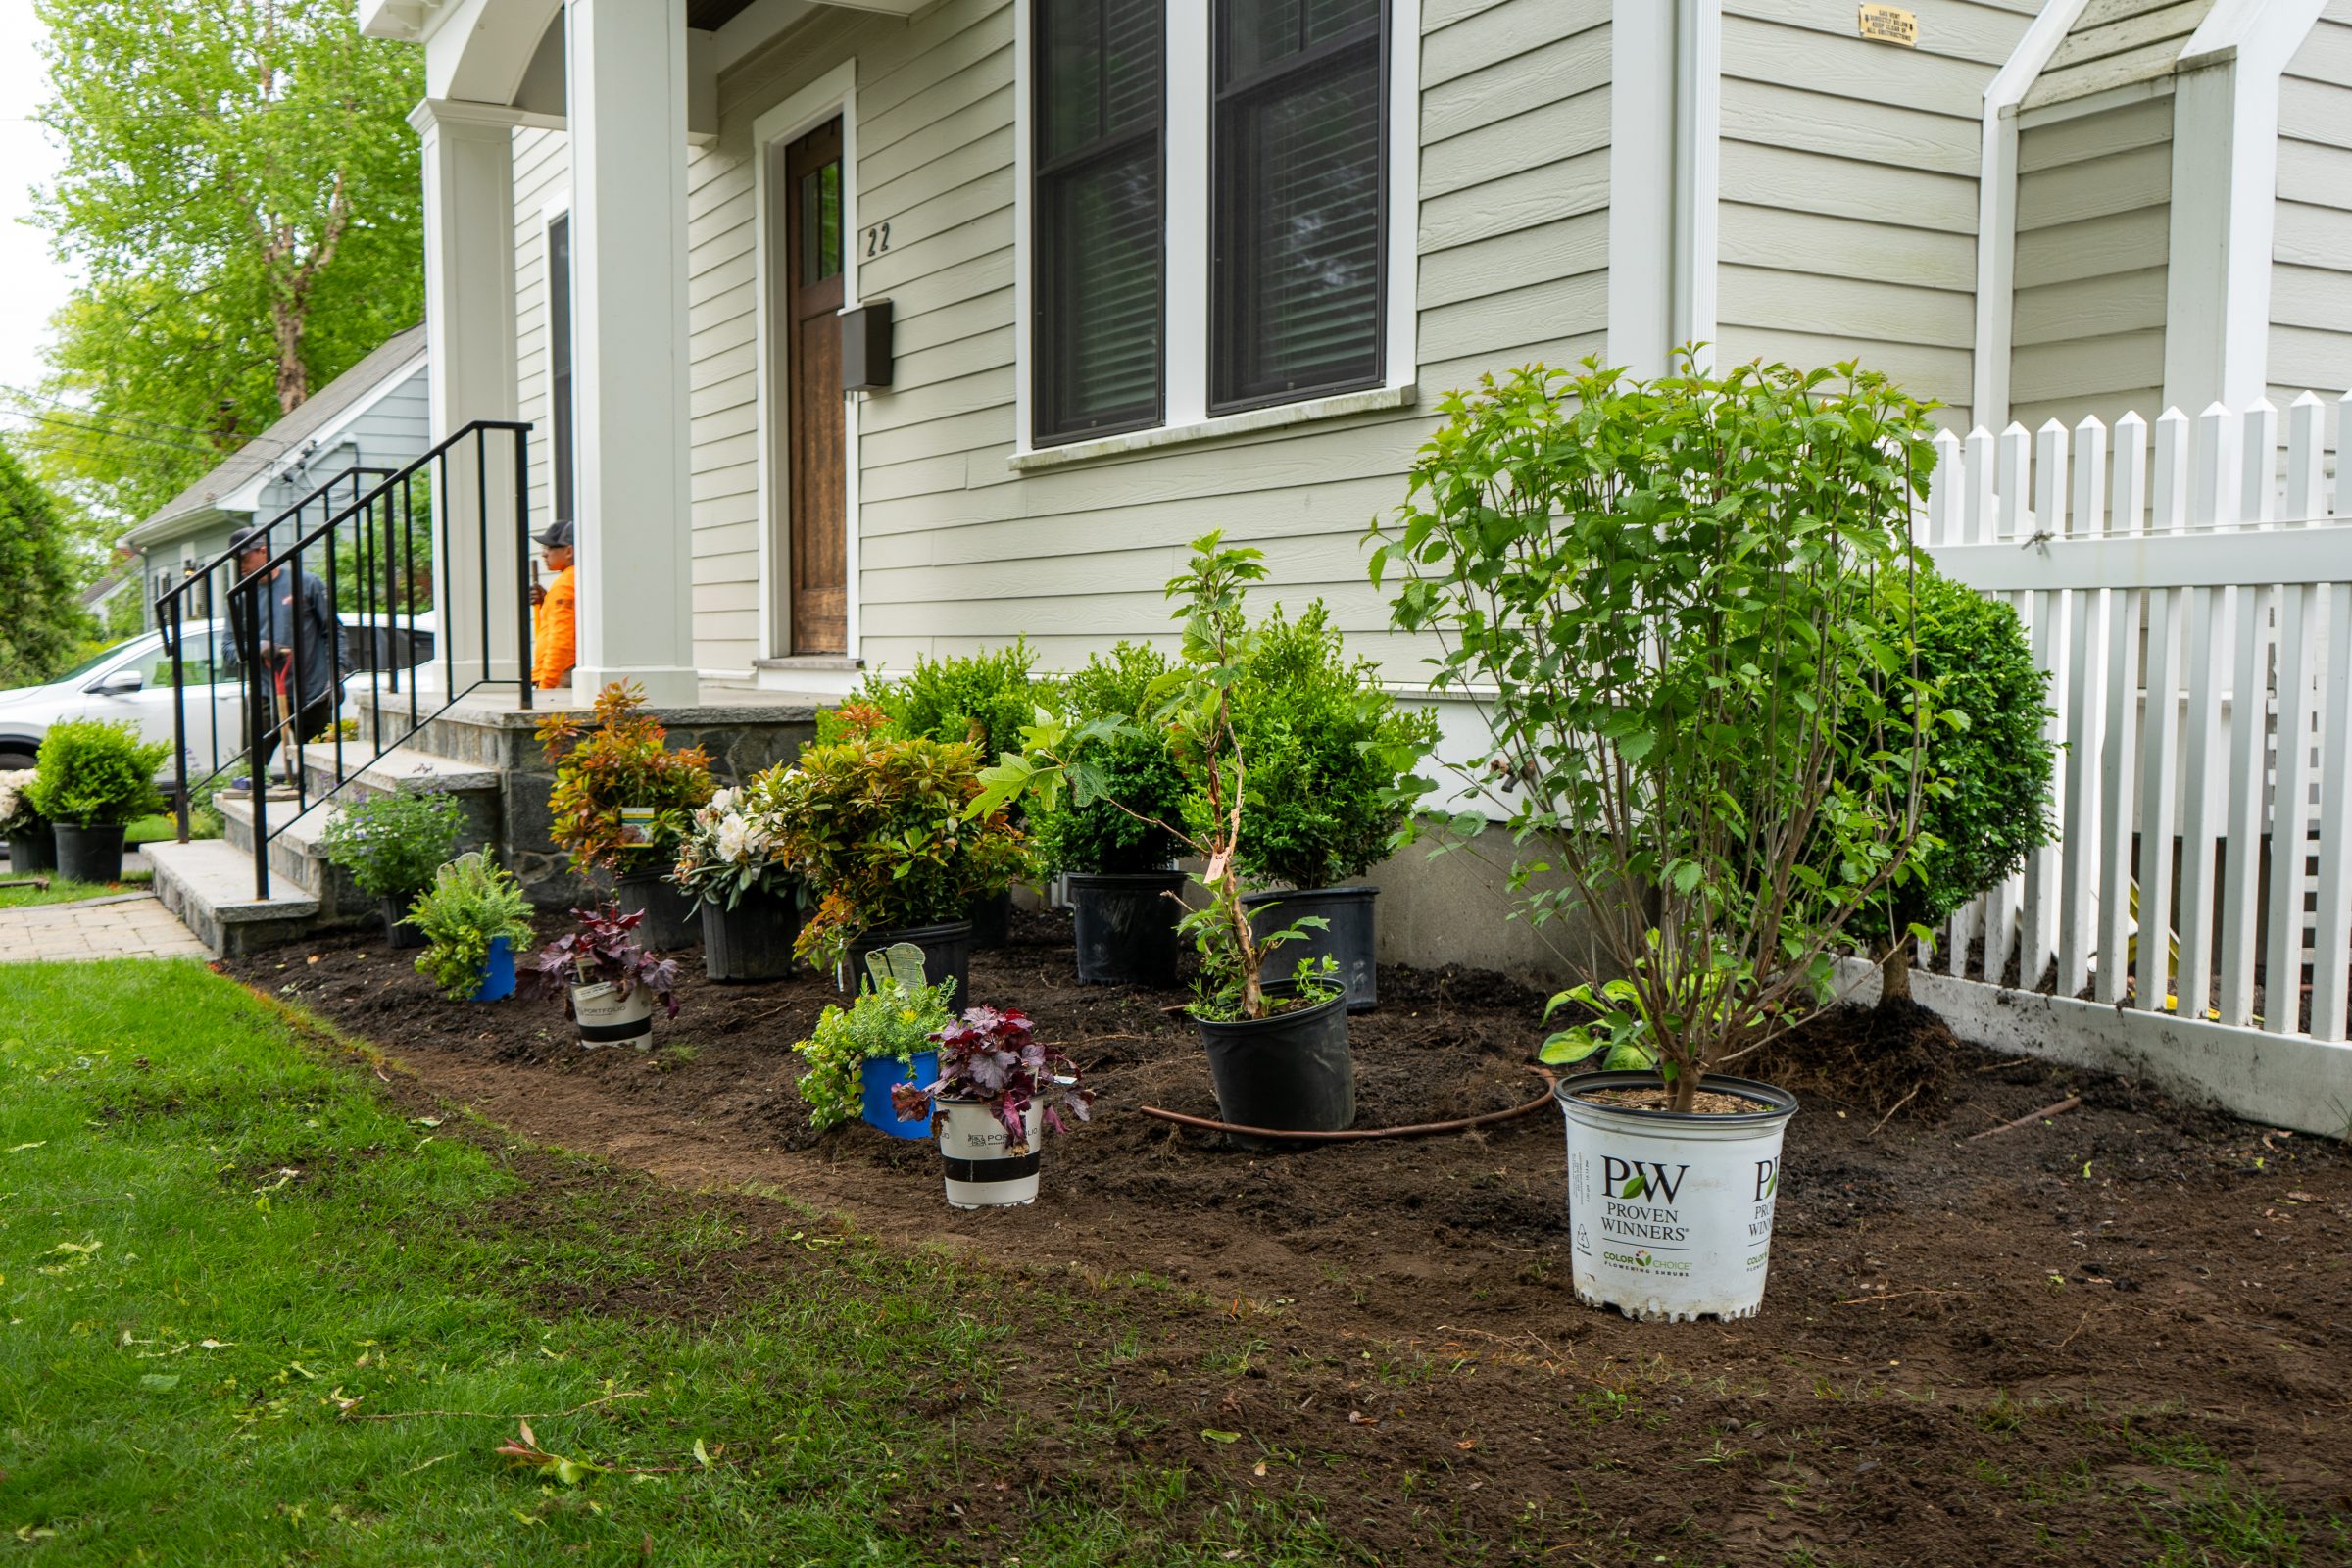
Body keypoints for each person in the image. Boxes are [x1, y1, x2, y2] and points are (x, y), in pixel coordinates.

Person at [225, 525, 340, 783]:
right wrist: (258, 648)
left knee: (321, 775)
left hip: (312, 694)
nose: (241, 567)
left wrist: (337, 674)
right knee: (251, 774)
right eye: (237, 561)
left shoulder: (306, 584)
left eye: (245, 558)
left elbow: (333, 632)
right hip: (267, 694)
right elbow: (229, 649)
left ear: (262, 551)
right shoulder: (241, 597)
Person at [530, 519, 576, 691]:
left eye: (549, 548)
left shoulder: (566, 584)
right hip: (563, 671)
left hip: (562, 675)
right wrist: (545, 602)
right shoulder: (575, 579)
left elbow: (562, 639)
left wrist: (547, 683)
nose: (543, 554)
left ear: (569, 551)